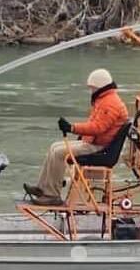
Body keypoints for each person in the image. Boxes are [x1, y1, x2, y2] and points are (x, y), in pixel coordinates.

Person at [24, 69, 128, 206]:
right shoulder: (104, 100)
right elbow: (95, 124)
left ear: (99, 87)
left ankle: (52, 195)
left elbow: (98, 127)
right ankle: (42, 187)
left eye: (92, 88)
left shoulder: (110, 104)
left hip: (99, 148)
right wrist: (80, 133)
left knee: (59, 153)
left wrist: (72, 128)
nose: (91, 91)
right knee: (54, 147)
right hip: (94, 142)